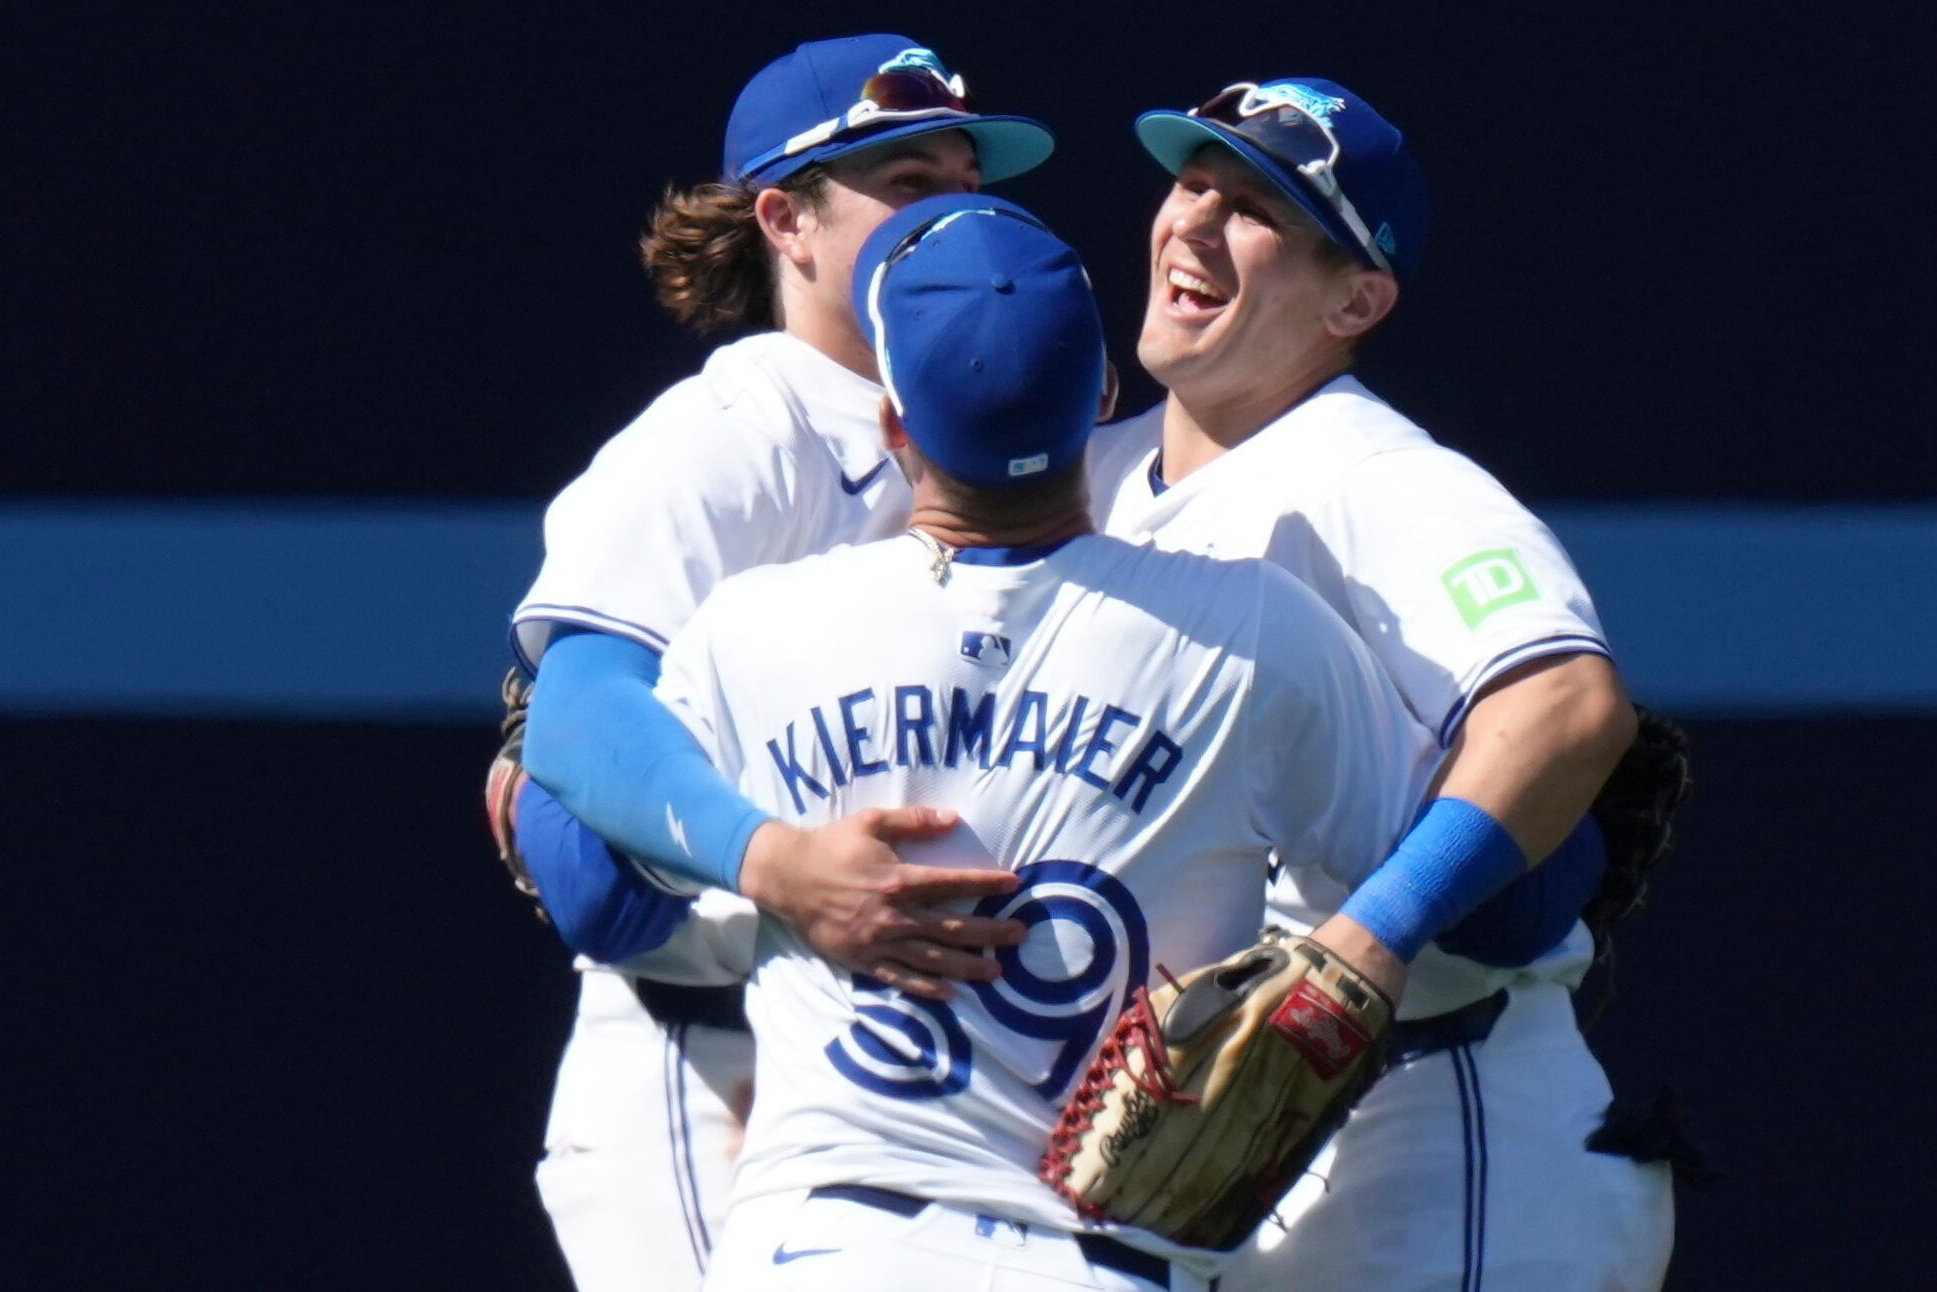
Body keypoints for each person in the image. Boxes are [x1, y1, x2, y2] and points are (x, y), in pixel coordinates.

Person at [654, 193, 1439, 1292]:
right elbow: (1506, 898)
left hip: (816, 1248)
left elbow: (592, 867)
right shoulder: (1255, 632)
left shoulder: (751, 630)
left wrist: (766, 863)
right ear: (1104, 397)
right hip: (1098, 1262)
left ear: (893, 425)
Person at [1082, 77, 1675, 1289]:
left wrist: (1373, 934)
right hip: (1196, 1152)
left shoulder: (1374, 474)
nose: (1194, 222)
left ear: (1354, 298)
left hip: (1438, 1124)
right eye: (1191, 182)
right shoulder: (1089, 477)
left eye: (1254, 209)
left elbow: (1566, 704)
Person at [492, 35, 1058, 1290]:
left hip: (933, 1074)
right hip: (710, 1069)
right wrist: (777, 869)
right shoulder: (730, 435)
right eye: (908, 185)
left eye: (970, 184)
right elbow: (582, 812)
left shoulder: (1022, 420)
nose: (954, 216)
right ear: (784, 220)